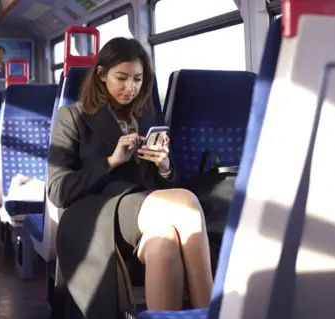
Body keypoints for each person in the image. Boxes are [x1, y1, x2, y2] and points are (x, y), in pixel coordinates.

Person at [48, 37, 213, 319]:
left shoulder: (147, 116)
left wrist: (164, 166)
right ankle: (213, 312)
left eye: (137, 79)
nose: (130, 88)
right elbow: (58, 190)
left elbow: (163, 186)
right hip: (95, 214)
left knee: (165, 241)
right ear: (101, 74)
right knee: (186, 204)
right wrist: (110, 162)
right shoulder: (72, 116)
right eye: (121, 78)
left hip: (142, 212)